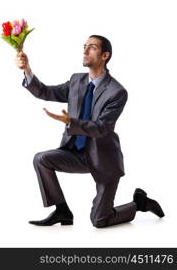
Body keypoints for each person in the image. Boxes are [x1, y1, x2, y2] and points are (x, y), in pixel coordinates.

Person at [15, 35, 165, 228]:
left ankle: (139, 204)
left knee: (100, 220)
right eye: (84, 46)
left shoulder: (117, 92)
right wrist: (27, 70)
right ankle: (63, 211)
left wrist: (72, 122)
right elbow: (46, 92)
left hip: (103, 159)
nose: (85, 51)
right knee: (41, 159)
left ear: (105, 55)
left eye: (92, 47)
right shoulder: (77, 80)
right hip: (75, 154)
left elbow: (102, 128)